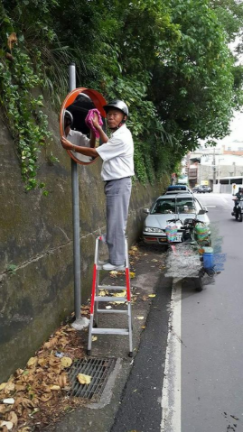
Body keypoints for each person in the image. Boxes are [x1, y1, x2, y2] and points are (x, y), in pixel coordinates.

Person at [61, 99, 134, 270]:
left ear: (123, 118)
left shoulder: (122, 138)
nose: (110, 118)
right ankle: (116, 258)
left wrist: (71, 146)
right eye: (108, 115)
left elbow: (96, 152)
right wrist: (98, 128)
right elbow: (107, 145)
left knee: (115, 223)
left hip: (118, 183)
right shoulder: (119, 135)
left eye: (114, 115)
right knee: (114, 221)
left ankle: (117, 261)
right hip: (116, 183)